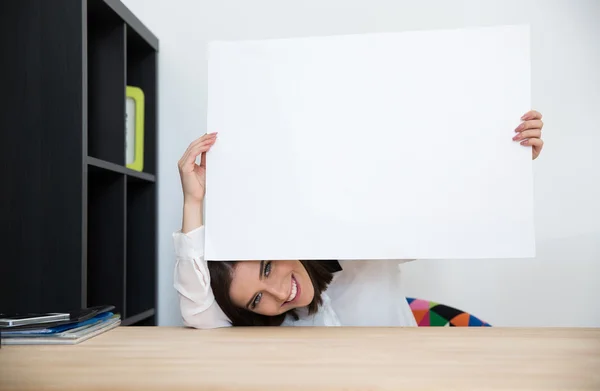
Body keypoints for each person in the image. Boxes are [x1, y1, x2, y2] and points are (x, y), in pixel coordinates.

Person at [173, 111, 545, 329]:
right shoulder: (268, 327)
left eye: (268, 267)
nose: (278, 294)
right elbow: (197, 310)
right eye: (256, 299)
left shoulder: (362, 236)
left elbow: (453, 215)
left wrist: (508, 164)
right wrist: (193, 200)